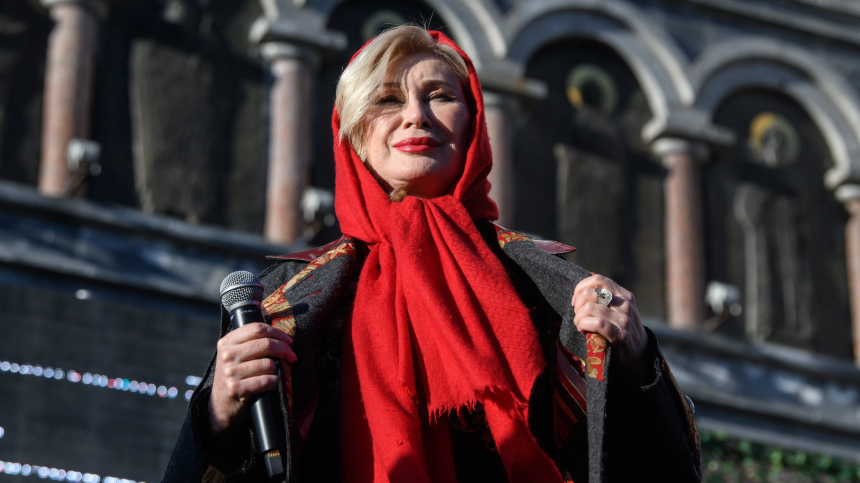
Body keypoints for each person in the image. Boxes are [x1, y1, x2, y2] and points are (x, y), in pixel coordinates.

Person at [163, 26, 701, 483]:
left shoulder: (550, 287)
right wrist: (218, 413)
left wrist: (637, 359)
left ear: (474, 122)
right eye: (387, 100)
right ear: (354, 133)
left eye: (440, 95)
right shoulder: (289, 297)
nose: (415, 117)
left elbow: (661, 468)